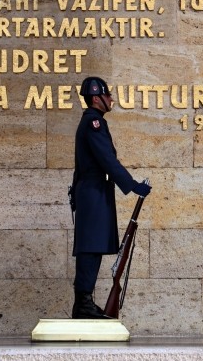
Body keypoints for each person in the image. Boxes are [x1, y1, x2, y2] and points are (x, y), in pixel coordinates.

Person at [69, 76, 151, 319]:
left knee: (92, 248)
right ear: (97, 98)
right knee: (90, 248)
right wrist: (133, 185)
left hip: (94, 193)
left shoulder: (92, 122)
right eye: (108, 95)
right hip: (93, 193)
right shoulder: (94, 122)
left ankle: (84, 302)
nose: (111, 98)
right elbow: (107, 159)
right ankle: (82, 303)